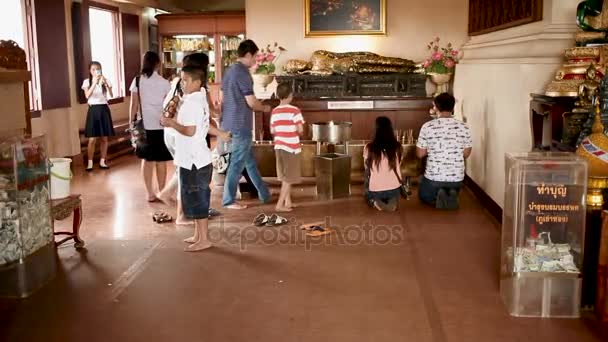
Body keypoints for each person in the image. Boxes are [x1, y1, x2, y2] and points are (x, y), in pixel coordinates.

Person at [157, 53, 229, 223]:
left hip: (171, 135)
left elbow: (168, 106)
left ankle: (173, 198)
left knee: (184, 171)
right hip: (184, 136)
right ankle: (184, 214)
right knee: (188, 173)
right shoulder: (199, 90)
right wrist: (222, 113)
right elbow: (203, 118)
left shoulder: (177, 82)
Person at [160, 66, 213, 252]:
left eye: (186, 80)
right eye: (181, 80)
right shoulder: (197, 99)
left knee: (199, 199)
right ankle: (198, 235)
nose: (182, 83)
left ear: (197, 82)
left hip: (194, 160)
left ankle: (204, 238)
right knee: (193, 197)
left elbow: (190, 131)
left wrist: (170, 122)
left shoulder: (192, 104)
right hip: (194, 157)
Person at [220, 39, 272, 210]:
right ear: (248, 55)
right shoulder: (242, 73)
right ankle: (228, 200)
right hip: (240, 123)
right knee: (236, 163)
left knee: (248, 162)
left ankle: (264, 194)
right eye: (255, 56)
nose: (256, 60)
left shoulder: (229, 71)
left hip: (228, 122)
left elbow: (221, 98)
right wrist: (264, 108)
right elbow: (251, 102)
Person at [416, 93, 472, 210]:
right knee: (453, 186)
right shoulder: (464, 127)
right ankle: (451, 193)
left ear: (435, 107)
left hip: (434, 179)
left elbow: (420, 154)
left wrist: (434, 149)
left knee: (423, 195)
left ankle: (436, 196)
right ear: (453, 108)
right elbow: (466, 154)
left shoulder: (427, 126)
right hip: (456, 180)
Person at [128, 51, 172, 202]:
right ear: (158, 64)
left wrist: (131, 123)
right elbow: (169, 106)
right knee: (161, 160)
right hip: (161, 125)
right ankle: (162, 191)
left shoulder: (137, 81)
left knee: (147, 160)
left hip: (144, 126)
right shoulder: (165, 83)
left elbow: (133, 104)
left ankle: (150, 194)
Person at [270, 83, 304, 212]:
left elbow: (272, 130)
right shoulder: (295, 110)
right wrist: (295, 130)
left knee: (285, 175)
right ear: (290, 95)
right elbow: (300, 129)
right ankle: (279, 205)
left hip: (279, 146)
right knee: (289, 177)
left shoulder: (275, 111)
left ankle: (288, 201)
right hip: (291, 147)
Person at [364, 116, 403, 211]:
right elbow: (399, 165)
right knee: (393, 193)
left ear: (375, 129)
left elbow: (366, 167)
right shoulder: (398, 147)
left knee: (367, 193)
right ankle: (392, 201)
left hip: (375, 189)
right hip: (394, 188)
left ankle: (374, 201)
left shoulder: (369, 147)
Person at [82, 61, 115, 171]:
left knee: (104, 138)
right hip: (93, 110)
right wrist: (94, 83)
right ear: (90, 71)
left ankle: (102, 161)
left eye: (98, 69)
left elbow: (111, 95)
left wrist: (105, 83)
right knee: (92, 139)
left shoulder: (105, 80)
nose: (96, 71)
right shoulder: (87, 82)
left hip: (104, 109)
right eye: (93, 69)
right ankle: (90, 162)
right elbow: (87, 95)